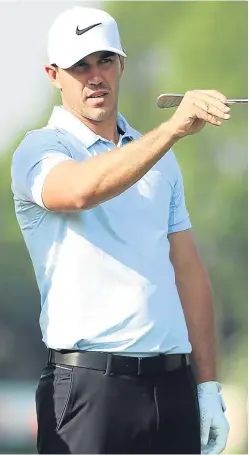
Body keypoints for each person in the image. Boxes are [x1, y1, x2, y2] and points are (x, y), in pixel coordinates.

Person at [11, 6, 230, 455]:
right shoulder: (40, 149)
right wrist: (172, 129)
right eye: (79, 66)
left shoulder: (159, 160)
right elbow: (79, 191)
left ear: (122, 64)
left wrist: (207, 386)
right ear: (54, 74)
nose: (95, 76)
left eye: (104, 61)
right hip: (88, 391)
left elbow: (187, 270)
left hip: (172, 386)